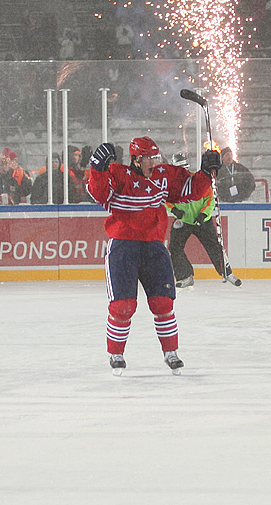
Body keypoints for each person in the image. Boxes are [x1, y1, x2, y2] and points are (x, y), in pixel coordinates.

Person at [85, 136, 222, 376]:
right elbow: (99, 194)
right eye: (148, 158)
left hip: (153, 247)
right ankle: (116, 353)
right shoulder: (119, 174)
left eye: (156, 157)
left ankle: (171, 353)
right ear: (136, 160)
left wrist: (206, 171)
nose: (153, 162)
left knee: (163, 303)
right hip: (123, 248)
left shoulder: (163, 176)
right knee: (123, 306)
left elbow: (190, 190)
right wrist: (97, 169)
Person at [166, 153, 241, 289]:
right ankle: (185, 276)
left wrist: (203, 214)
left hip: (202, 221)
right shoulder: (170, 183)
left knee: (214, 247)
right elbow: (165, 198)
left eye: (183, 167)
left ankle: (227, 272)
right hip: (183, 220)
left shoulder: (197, 180)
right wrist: (173, 210)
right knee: (175, 248)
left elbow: (210, 200)